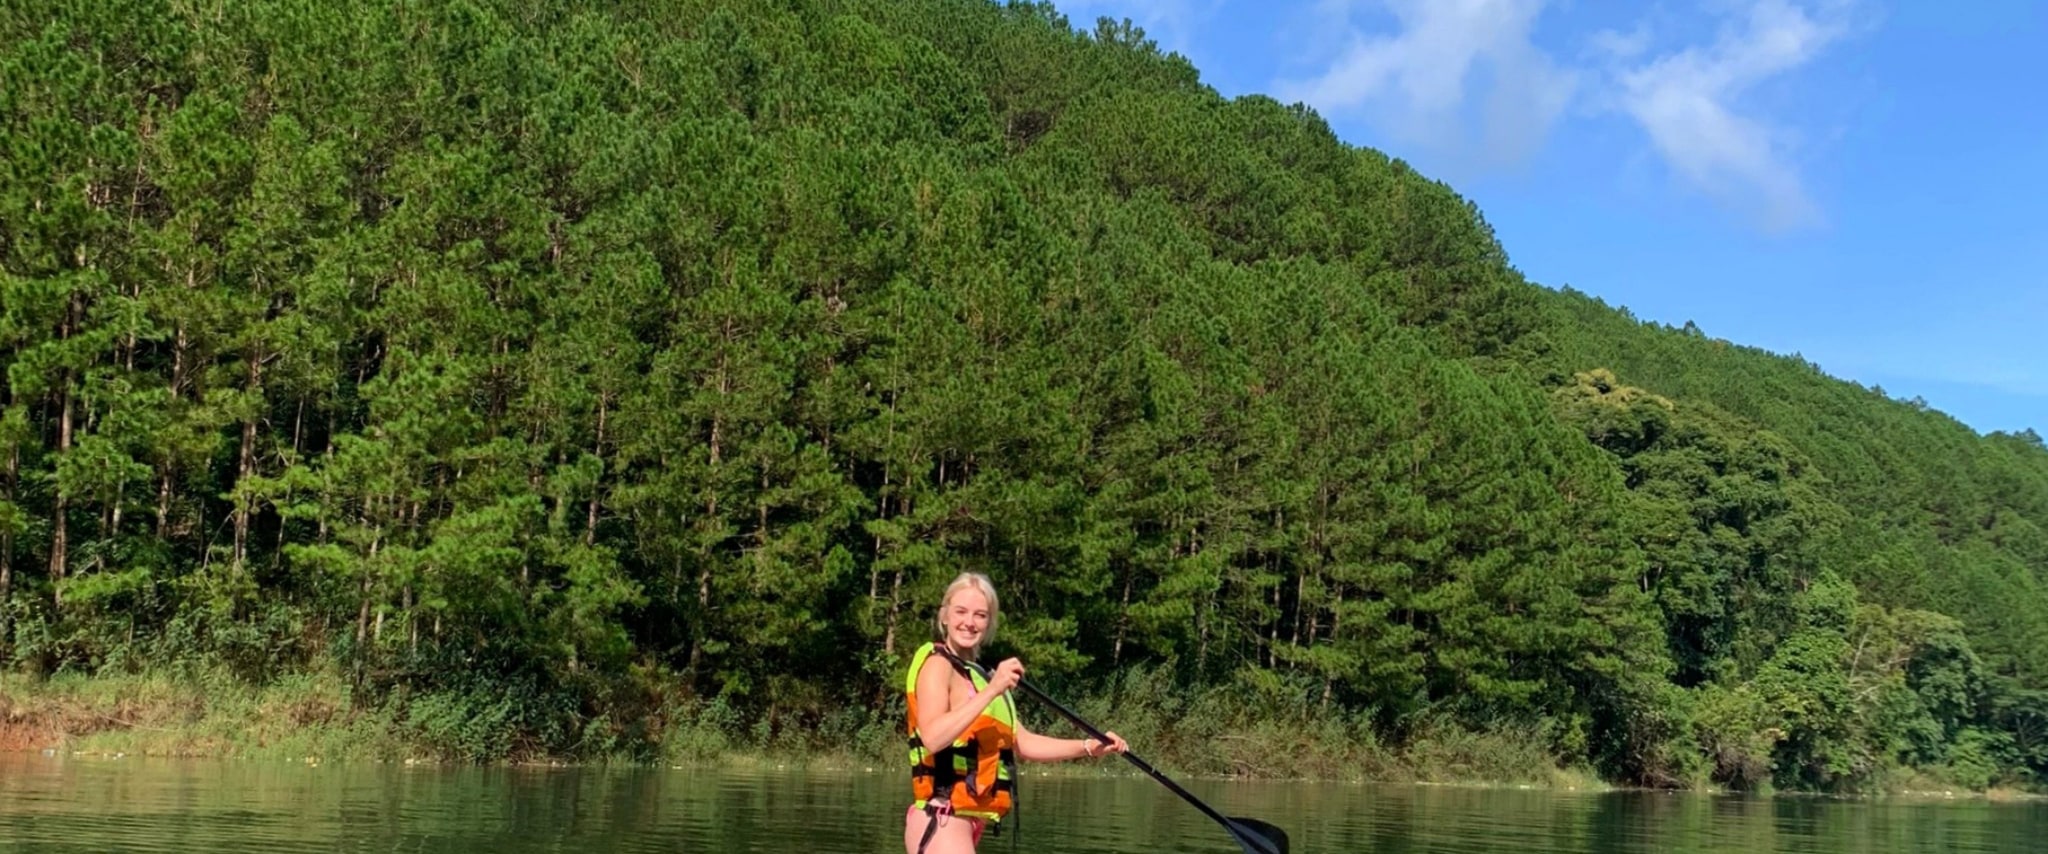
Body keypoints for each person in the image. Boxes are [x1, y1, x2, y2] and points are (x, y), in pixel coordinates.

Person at [903, 571, 1129, 854]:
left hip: (967, 822)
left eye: (980, 615)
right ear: (945, 615)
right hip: (941, 818)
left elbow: (1022, 742)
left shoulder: (982, 677)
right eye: (961, 611)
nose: (969, 622)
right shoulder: (939, 666)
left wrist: (1088, 747)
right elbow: (933, 738)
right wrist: (993, 689)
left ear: (989, 623)